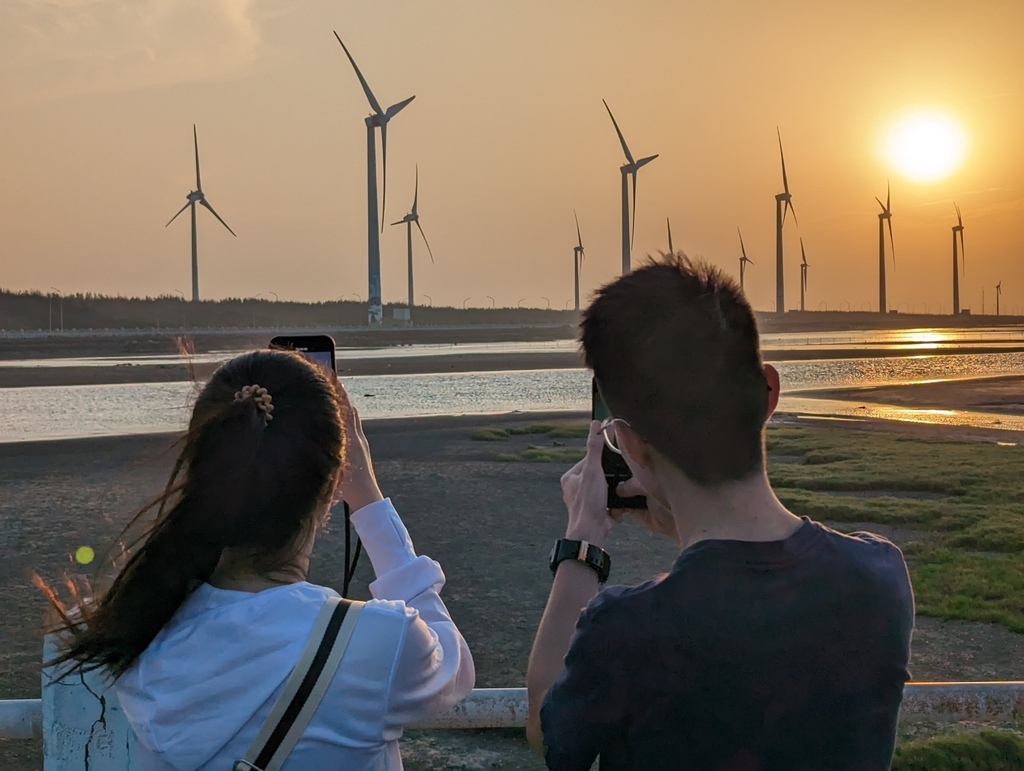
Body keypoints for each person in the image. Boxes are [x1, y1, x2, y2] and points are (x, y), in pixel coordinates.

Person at [526, 255, 914, 770]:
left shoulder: (625, 629)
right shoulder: (879, 577)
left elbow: (548, 736)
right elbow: (747, 595)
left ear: (629, 443)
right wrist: (687, 532)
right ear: (769, 393)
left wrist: (582, 545)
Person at [45, 349, 474, 770]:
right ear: (331, 488)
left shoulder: (135, 626)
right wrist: (370, 504)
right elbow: (453, 668)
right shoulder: (379, 642)